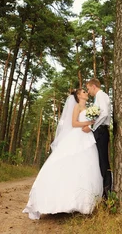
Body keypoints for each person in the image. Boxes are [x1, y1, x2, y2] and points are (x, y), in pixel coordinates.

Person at [23, 88, 102, 220]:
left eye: (86, 92)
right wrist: (88, 122)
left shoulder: (89, 107)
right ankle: (60, 202)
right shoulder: (77, 106)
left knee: (87, 167)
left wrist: (90, 124)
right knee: (68, 165)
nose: (86, 93)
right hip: (77, 137)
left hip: (87, 138)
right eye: (84, 92)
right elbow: (74, 123)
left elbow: (89, 123)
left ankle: (84, 204)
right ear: (78, 95)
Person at [83, 78, 112, 198]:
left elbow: (104, 113)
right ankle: (103, 192)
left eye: (88, 88)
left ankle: (107, 194)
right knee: (99, 161)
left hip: (101, 131)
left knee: (103, 162)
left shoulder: (101, 95)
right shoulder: (99, 97)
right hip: (99, 131)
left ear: (94, 86)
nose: (88, 91)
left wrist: (92, 126)